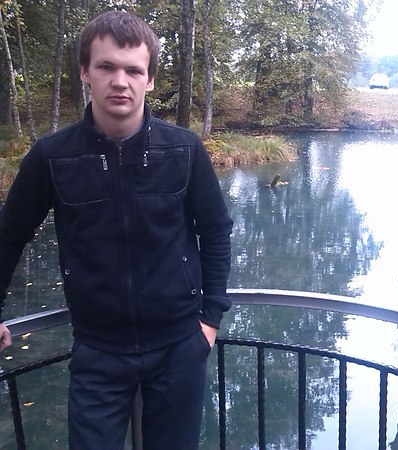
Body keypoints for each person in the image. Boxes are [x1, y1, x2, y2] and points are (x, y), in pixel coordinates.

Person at [0, 10, 233, 449]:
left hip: (180, 346)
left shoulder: (183, 150)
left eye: (133, 70)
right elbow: (9, 235)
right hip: (98, 351)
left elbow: (216, 231)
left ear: (149, 80)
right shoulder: (53, 157)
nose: (120, 81)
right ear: (85, 72)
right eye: (106, 66)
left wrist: (209, 321)